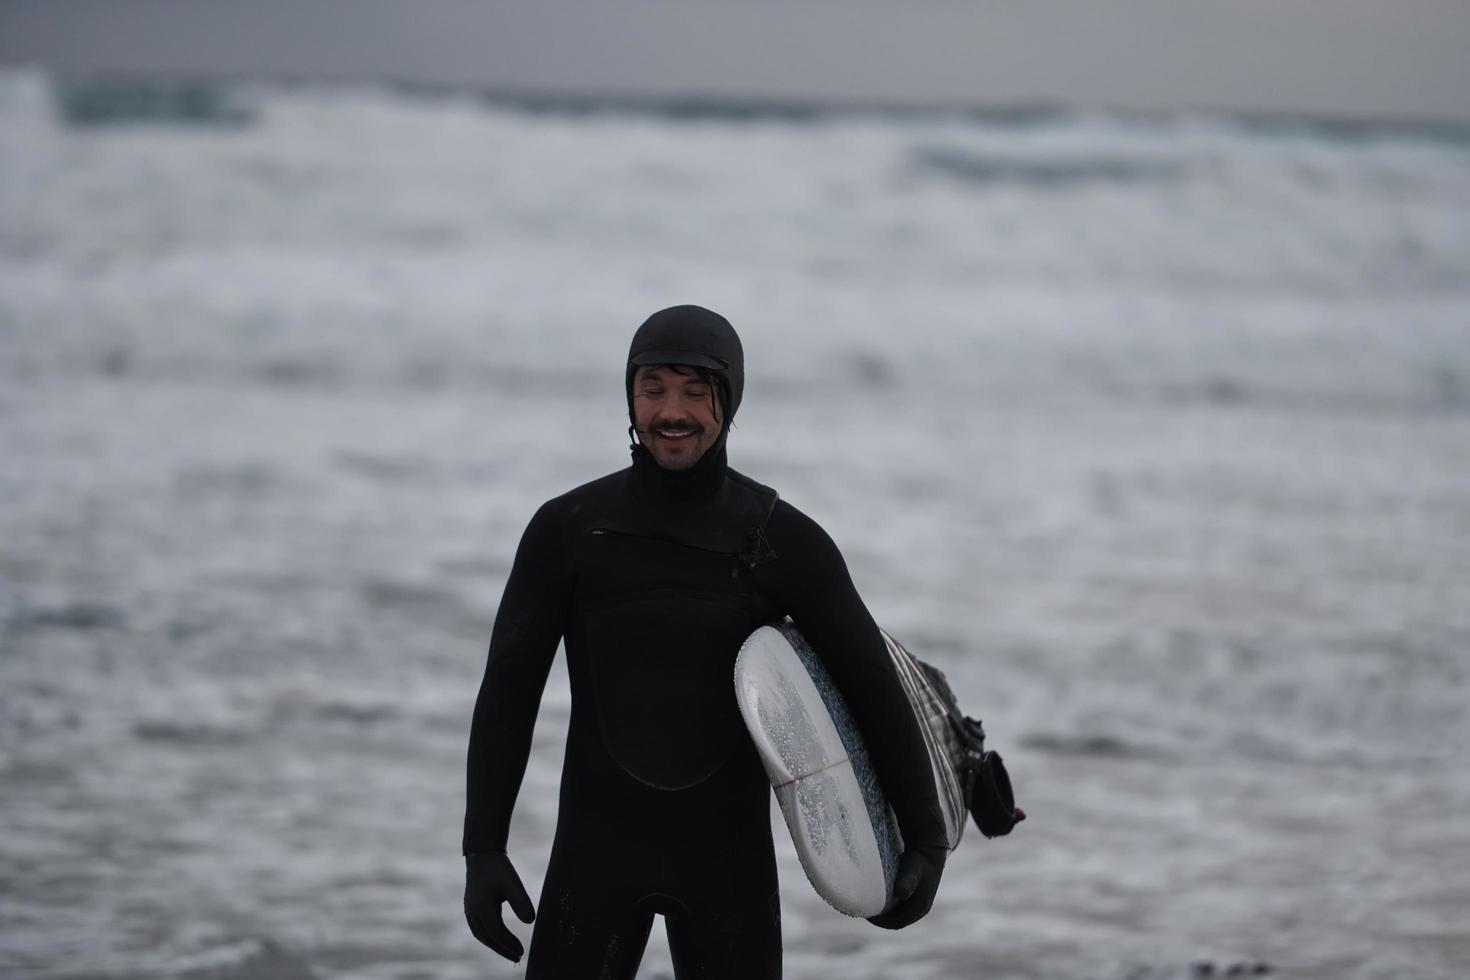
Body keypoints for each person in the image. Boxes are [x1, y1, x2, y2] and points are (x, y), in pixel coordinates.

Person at [463, 305, 949, 979]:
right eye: (653, 387)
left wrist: (924, 838)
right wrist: (482, 848)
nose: (672, 411)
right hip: (596, 850)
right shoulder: (569, 533)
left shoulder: (784, 543)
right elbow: (508, 694)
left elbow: (872, 688)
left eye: (697, 390)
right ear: (629, 393)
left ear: (732, 398)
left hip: (727, 864)